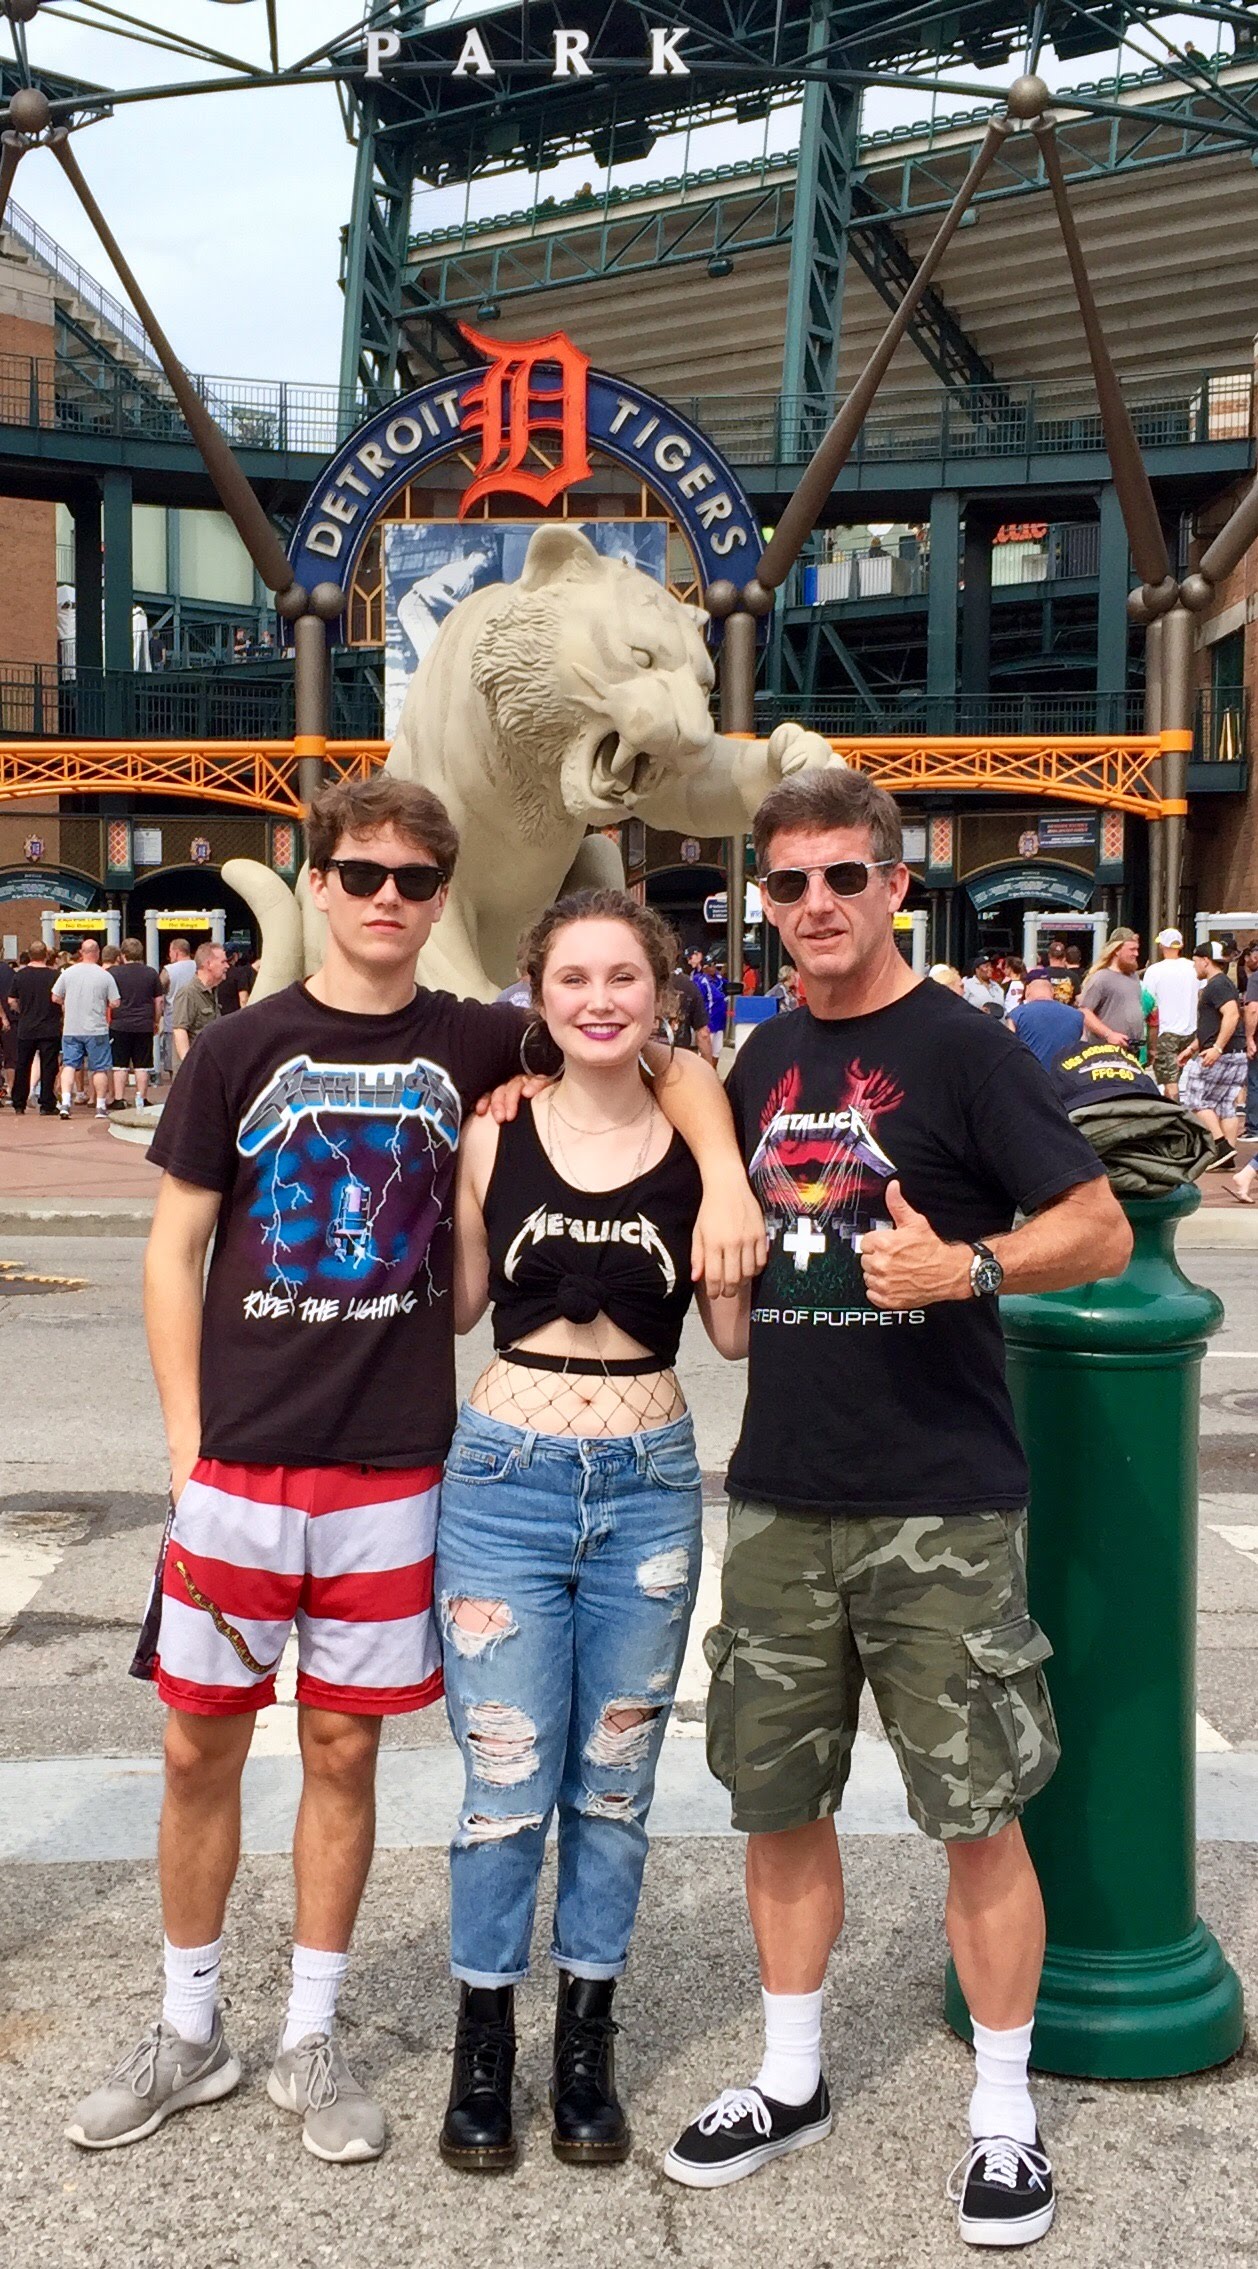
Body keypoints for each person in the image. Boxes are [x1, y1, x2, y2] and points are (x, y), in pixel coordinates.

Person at [66, 773, 762, 2165]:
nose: (388, 897)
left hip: (396, 1464)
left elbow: (655, 1051)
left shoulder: (476, 1034)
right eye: (363, 873)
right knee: (197, 1747)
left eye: (415, 879)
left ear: (439, 897)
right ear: (317, 883)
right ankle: (189, 2027)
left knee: (344, 1748)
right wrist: (186, 1448)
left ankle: (311, 2034)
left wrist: (727, 1172)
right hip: (242, 1460)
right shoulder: (237, 1045)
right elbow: (172, 1250)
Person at [661, 770, 1131, 2250]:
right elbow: (652, 1082)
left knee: (975, 1816)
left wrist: (966, 1267)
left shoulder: (966, 1049)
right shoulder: (760, 1054)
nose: (816, 904)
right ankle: (788, 2077)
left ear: (893, 885)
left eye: (843, 876)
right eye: (788, 882)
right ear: (765, 900)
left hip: (941, 1504)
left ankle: (1002, 2114)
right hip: (781, 1497)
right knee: (776, 1802)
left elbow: (1099, 1227)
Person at [437, 890, 740, 2173]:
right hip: (501, 1479)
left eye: (625, 977)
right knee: (505, 1784)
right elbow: (455, 1304)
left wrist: (735, 1195)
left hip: (647, 1482)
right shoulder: (492, 1132)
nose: (600, 999)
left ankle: (586, 2044)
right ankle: (483, 2043)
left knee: (614, 1783)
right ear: (538, 993)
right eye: (574, 978)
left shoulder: (698, 1132)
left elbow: (731, 1333)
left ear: (663, 993)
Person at [1178, 941, 1244, 1163]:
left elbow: (1232, 1015)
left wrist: (1216, 1048)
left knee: (1194, 1099)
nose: (1194, 966)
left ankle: (1221, 1147)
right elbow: (1213, 1024)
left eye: (1195, 961)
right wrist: (1191, 1048)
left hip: (1220, 1054)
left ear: (1205, 961)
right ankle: (1228, 1156)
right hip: (1234, 1052)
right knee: (1225, 1105)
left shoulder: (1216, 985)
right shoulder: (1224, 984)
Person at [52, 938, 119, 1120]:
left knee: (69, 1065)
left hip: (71, 1028)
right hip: (96, 1029)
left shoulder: (68, 973)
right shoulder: (105, 975)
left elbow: (55, 996)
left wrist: (66, 1003)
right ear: (97, 953)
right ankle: (100, 1106)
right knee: (99, 1068)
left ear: (81, 952)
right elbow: (115, 1002)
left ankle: (66, 1103)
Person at [1141, 929, 1199, 1099]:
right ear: (1181, 945)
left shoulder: (1154, 970)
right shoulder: (1193, 968)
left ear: (1162, 946)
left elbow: (1149, 1002)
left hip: (1166, 1032)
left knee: (1169, 1081)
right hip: (1192, 1032)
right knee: (1184, 1079)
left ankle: (1175, 1110)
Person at [110, 938, 165, 1109]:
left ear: (122, 955)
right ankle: (141, 1098)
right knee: (143, 1064)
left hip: (119, 1023)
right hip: (144, 1023)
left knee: (120, 1064)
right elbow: (159, 1001)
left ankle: (119, 1099)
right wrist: (156, 1020)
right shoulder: (151, 973)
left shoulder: (114, 973)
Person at [7, 941, 61, 1116]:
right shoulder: (55, 975)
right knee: (49, 1066)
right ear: (46, 955)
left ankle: (19, 1102)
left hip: (26, 1026)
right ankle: (47, 1103)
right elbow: (60, 998)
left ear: (29, 955)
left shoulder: (20, 976)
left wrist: (21, 1011)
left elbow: (11, 1000)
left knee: (23, 1065)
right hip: (50, 1027)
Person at [1078, 931, 1146, 1055]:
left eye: (1137, 949)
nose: (1136, 954)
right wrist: (1109, 1034)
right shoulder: (1101, 977)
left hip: (1131, 1050)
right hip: (1105, 1050)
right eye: (1132, 949)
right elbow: (1085, 1012)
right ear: (1116, 950)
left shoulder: (1134, 977)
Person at [1006, 969, 1085, 1071]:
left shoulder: (1016, 1015)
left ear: (1027, 990)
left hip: (1032, 1075)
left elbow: (1008, 1049)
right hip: (1066, 1076)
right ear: (1052, 991)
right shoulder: (1077, 1016)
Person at [171, 942, 228, 1066]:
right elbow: (180, 1031)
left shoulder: (213, 991)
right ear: (208, 964)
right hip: (195, 1068)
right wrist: (189, 1065)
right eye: (223, 962)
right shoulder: (188, 993)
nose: (227, 966)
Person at [158, 939, 195, 1081]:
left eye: (170, 952)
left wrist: (157, 1018)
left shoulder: (169, 970)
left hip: (173, 1023)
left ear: (176, 952)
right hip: (196, 1021)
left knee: (174, 1065)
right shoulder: (198, 967)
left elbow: (159, 995)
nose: (169, 955)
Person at [215, 949, 258, 1016]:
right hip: (234, 1015)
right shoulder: (240, 973)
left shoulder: (216, 974)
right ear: (235, 956)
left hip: (219, 1015)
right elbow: (243, 1000)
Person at [1044, 939, 1078, 1005]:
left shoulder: (1041, 975)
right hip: (1067, 1010)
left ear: (1049, 956)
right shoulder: (1073, 976)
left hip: (1047, 1010)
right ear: (1064, 957)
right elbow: (1078, 1000)